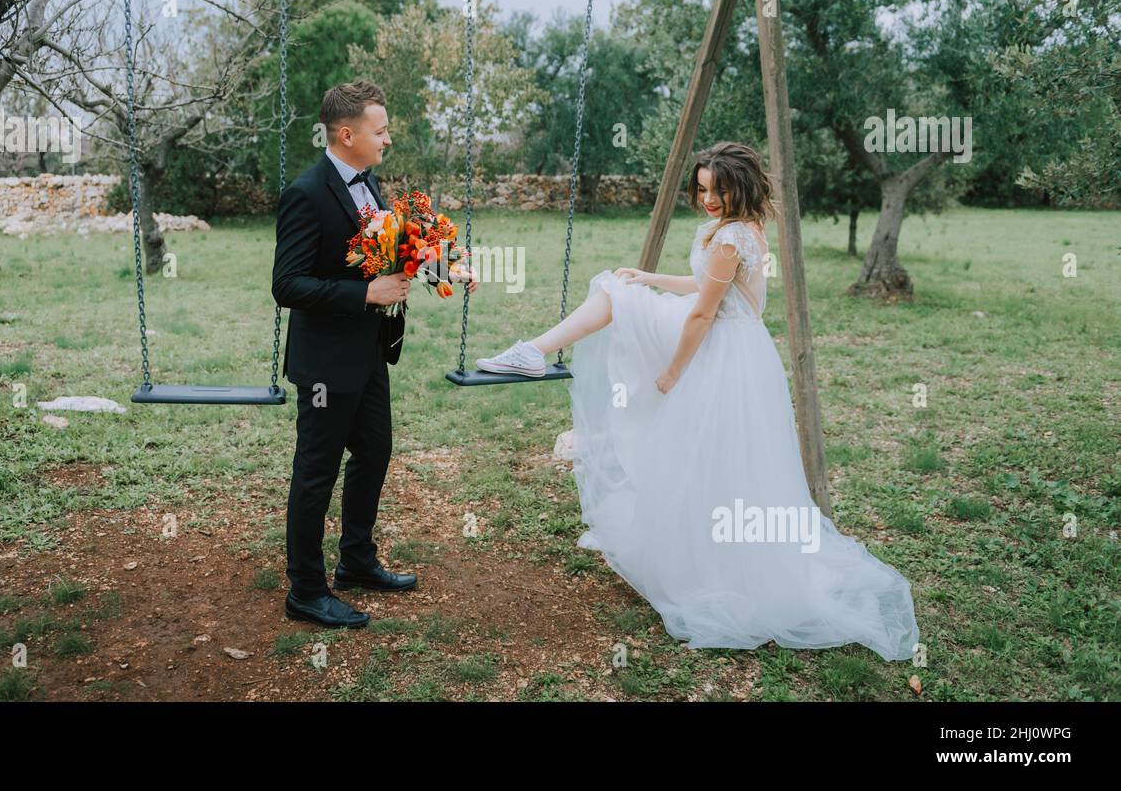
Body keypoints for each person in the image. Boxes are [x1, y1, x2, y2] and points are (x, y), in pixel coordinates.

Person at [475, 141, 921, 661]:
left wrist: (672, 371)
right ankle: (539, 354)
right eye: (704, 188)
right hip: (740, 349)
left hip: (715, 345)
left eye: (719, 189)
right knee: (712, 450)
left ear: (742, 186)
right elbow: (706, 285)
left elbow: (703, 314)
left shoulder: (731, 236)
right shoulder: (743, 229)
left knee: (613, 300)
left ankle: (535, 351)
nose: (709, 198)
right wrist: (650, 277)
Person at [271, 80, 476, 629]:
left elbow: (395, 250)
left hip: (369, 354)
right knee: (316, 474)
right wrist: (366, 293)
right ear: (347, 134)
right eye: (379, 130)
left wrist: (443, 268)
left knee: (375, 453)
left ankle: (356, 562)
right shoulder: (307, 193)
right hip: (324, 365)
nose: (387, 139)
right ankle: (306, 591)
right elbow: (287, 285)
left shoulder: (370, 184)